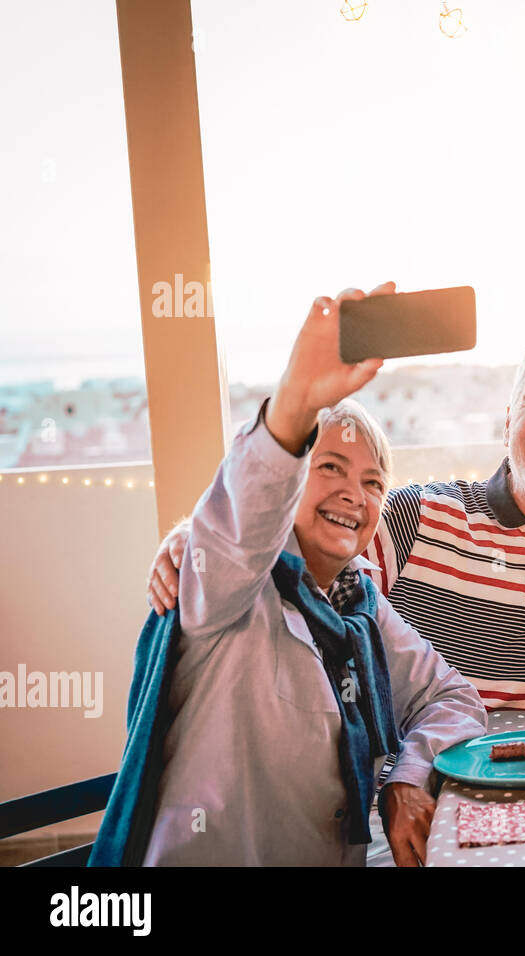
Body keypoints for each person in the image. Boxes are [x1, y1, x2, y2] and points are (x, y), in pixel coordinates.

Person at [149, 333, 525, 710]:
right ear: (508, 418)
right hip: (426, 790)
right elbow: (297, 555)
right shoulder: (418, 516)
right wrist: (194, 537)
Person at [101, 285, 486, 867]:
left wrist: (409, 778)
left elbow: (449, 697)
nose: (353, 496)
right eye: (328, 467)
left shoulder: (356, 601)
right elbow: (240, 520)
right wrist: (296, 401)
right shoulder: (228, 588)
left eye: (373, 482)